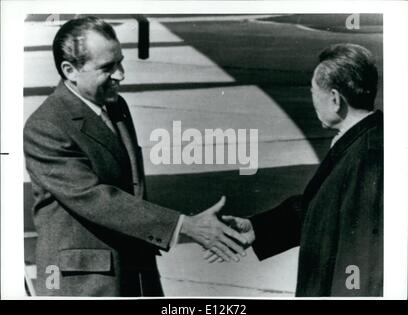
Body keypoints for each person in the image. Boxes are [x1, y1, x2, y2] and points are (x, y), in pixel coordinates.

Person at [24, 16, 248, 297]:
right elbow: (95, 198)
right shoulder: (46, 126)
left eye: (120, 61)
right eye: (107, 67)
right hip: (85, 282)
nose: (121, 74)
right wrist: (184, 225)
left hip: (136, 273)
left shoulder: (116, 106)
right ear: (70, 70)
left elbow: (131, 187)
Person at [207, 43, 383, 297]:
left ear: (335, 99)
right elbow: (323, 208)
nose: (312, 99)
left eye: (314, 91)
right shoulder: (361, 141)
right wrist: (257, 227)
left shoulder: (369, 157)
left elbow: (362, 256)